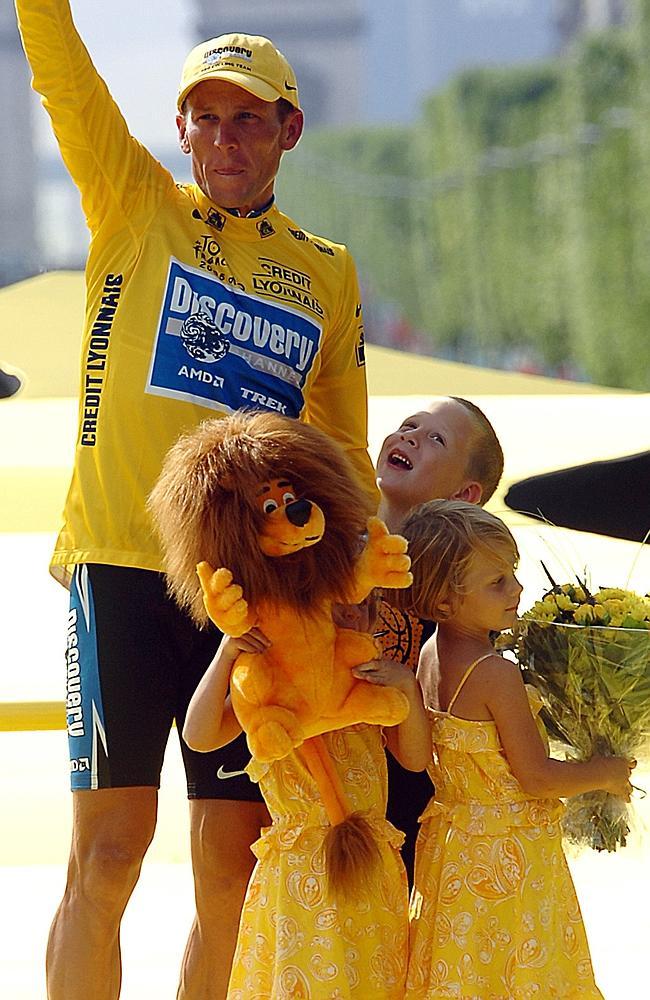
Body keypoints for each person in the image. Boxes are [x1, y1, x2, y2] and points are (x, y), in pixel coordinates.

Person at [15, 4, 377, 998]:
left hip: (252, 597)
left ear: (287, 131)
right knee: (112, 853)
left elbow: (343, 453)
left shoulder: (325, 270)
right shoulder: (134, 201)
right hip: (121, 570)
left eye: (247, 119)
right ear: (179, 130)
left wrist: (370, 591)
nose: (223, 138)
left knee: (232, 863)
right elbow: (60, 77)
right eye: (205, 119)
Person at [396, 499, 635, 998]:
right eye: (497, 582)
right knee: (520, 972)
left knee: (465, 971)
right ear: (443, 602)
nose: (518, 589)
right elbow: (537, 778)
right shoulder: (495, 674)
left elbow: (414, 757)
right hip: (510, 858)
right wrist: (606, 772)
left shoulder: (429, 655)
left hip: (453, 853)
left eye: (513, 573)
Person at [182, 601, 430, 999]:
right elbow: (199, 735)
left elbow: (415, 760)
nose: (355, 616)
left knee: (369, 980)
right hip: (299, 871)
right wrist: (227, 652)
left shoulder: (366, 682)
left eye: (368, 605)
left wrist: (406, 688)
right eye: (338, 605)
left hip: (367, 867)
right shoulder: (273, 686)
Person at [371, 395, 505, 884]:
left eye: (435, 439)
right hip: (321, 804)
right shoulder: (323, 550)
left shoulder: (465, 595)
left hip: (413, 830)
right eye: (409, 425)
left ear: (466, 493)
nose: (409, 437)